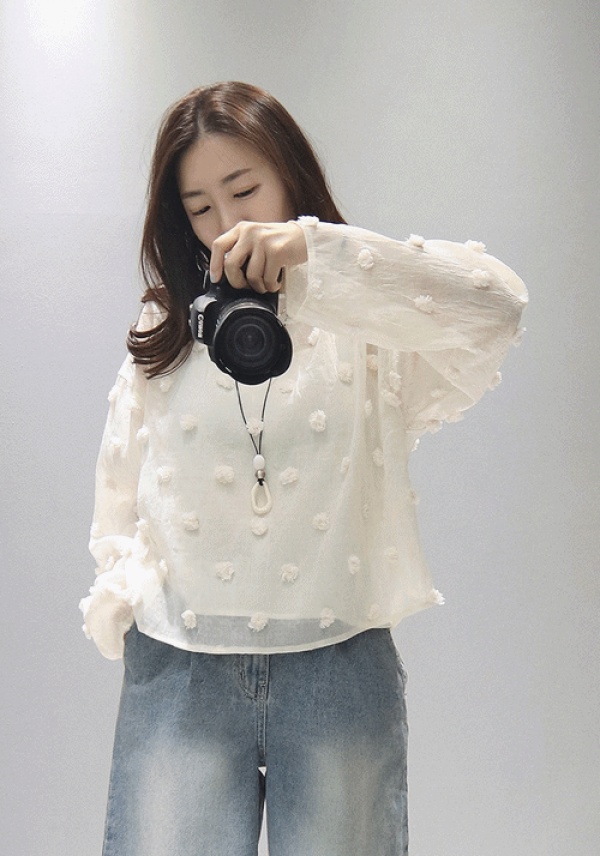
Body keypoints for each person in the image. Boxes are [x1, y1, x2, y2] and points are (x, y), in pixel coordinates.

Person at [80, 81, 528, 856]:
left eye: (244, 190)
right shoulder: (168, 327)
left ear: (289, 175)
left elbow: (499, 306)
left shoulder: (369, 325)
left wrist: (320, 257)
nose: (226, 223)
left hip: (339, 668)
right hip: (180, 671)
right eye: (200, 206)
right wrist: (126, 592)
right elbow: (120, 492)